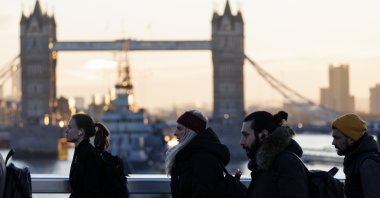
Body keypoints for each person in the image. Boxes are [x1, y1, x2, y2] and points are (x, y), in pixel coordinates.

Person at [240, 111, 309, 198]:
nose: (241, 142)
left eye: (245, 135)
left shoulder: (285, 163)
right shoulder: (264, 165)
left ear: (263, 135)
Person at [165, 110, 230, 198]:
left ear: (191, 132)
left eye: (179, 128)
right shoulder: (190, 156)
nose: (175, 133)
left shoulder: (203, 160)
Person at [331, 113, 380, 198]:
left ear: (351, 139)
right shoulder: (355, 160)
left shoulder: (368, 164)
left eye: (337, 138)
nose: (333, 142)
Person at [66, 113, 103, 198]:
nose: (66, 130)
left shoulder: (89, 155)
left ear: (81, 132)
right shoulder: (80, 152)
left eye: (70, 127)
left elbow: (91, 192)